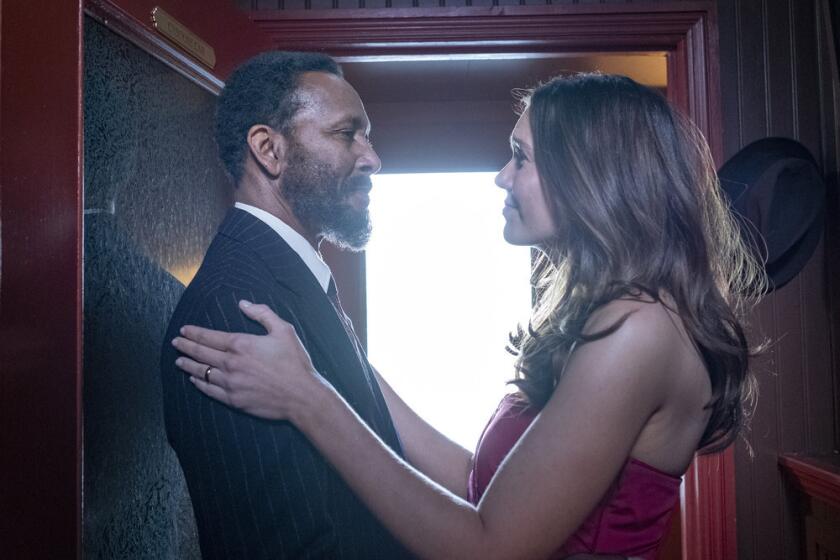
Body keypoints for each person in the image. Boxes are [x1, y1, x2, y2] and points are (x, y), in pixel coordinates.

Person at [171, 73, 765, 559]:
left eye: (520, 158)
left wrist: (309, 398)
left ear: (589, 175)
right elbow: (481, 484)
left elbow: (490, 546)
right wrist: (332, 356)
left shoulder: (638, 333)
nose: (502, 176)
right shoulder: (619, 316)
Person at [159, 51, 415, 559]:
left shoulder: (293, 284)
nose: (371, 158)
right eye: (347, 134)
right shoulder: (236, 312)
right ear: (268, 149)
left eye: (368, 136)